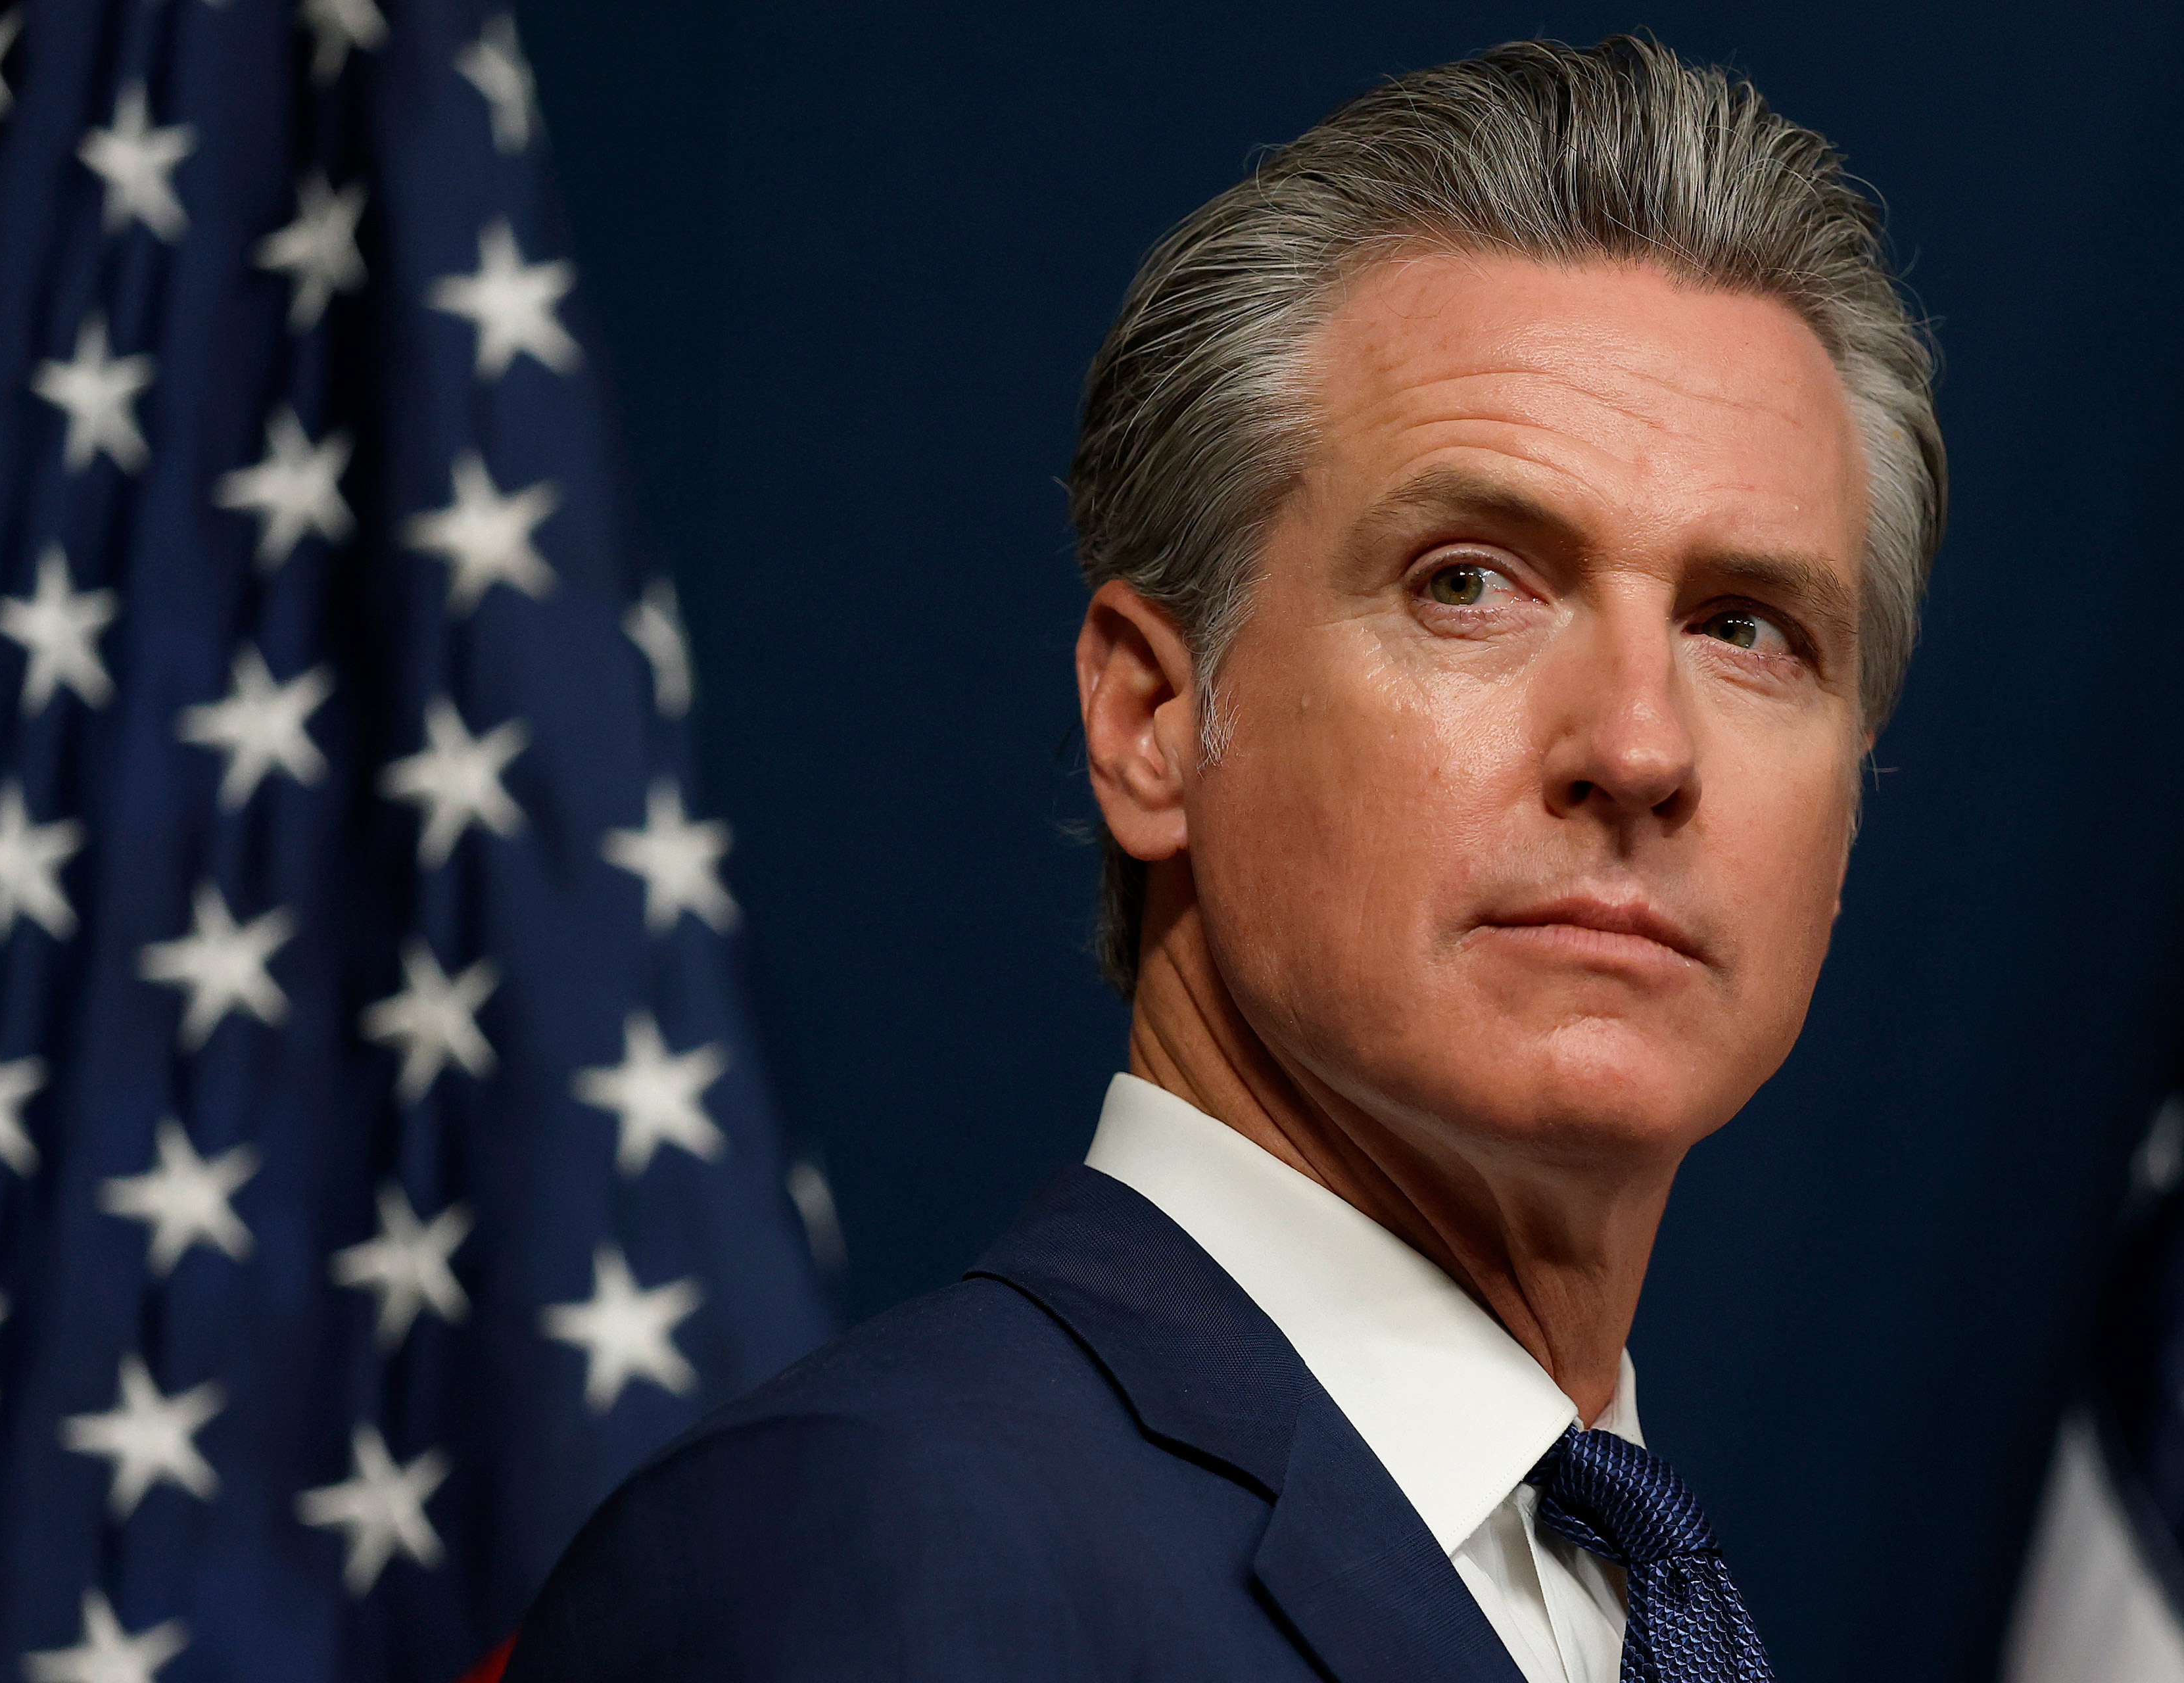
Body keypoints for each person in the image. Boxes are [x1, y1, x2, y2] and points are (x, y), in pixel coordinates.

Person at [506, 32, 1943, 1683]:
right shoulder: (865, 1546)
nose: (1638, 746)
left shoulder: (1633, 1601)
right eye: (1469, 582)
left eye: (1746, 627)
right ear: (1152, 718)